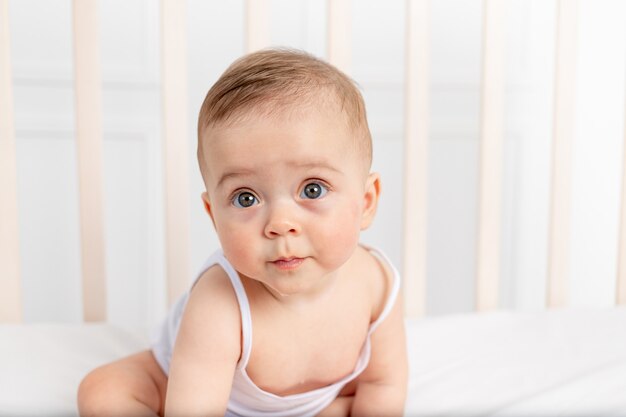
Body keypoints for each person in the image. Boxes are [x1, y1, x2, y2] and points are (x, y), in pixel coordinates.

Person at [77, 48, 408, 417]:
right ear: (214, 216)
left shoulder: (376, 283)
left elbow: (384, 384)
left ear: (365, 202)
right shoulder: (220, 302)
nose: (280, 223)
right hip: (189, 387)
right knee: (102, 393)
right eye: (246, 197)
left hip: (317, 401)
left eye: (312, 189)